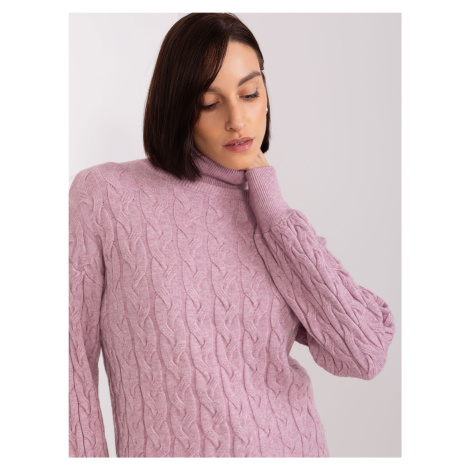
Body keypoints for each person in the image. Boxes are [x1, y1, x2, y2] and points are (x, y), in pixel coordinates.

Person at [69, 13, 395, 458]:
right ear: (178, 108)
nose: (238, 120)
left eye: (250, 93)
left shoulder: (272, 217)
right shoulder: (105, 196)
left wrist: (276, 215)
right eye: (210, 103)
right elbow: (67, 365)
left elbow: (365, 353)